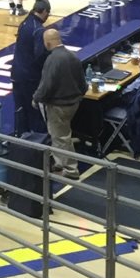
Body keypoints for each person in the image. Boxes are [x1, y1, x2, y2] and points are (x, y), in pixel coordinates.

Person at [32, 27, 86, 177]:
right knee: (60, 134)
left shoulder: (52, 59)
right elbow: (83, 83)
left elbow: (46, 85)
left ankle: (71, 170)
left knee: (61, 137)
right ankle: (59, 162)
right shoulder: (72, 56)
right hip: (73, 103)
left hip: (59, 105)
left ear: (48, 43)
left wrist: (36, 98)